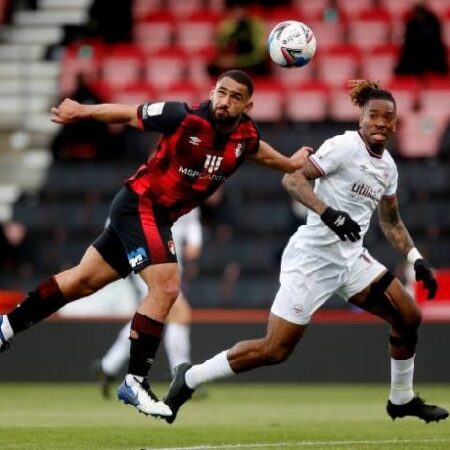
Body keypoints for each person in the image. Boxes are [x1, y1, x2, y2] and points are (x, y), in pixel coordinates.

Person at [0, 69, 311, 419]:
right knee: (166, 287)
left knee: (80, 281)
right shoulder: (183, 117)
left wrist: (290, 163)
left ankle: (5, 327)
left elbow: (259, 152)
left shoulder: (245, 136)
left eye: (235, 97)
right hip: (139, 205)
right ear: (212, 91)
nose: (225, 101)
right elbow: (127, 113)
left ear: (248, 104)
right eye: (221, 92)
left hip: (158, 218)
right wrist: (81, 112)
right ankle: (135, 380)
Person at [163, 80, 449, 425]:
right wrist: (327, 212)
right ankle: (189, 377)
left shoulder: (388, 167)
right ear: (361, 119)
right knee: (275, 349)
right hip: (312, 258)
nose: (380, 123)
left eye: (387, 118)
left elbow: (391, 222)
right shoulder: (344, 147)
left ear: (394, 124)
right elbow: (292, 179)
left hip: (351, 258)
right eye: (373, 116)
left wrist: (416, 259)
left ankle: (401, 399)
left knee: (408, 315)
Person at [95, 207, 203, 398]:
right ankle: (183, 378)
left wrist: (195, 242)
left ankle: (107, 366)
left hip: (171, 266)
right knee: (178, 311)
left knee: (151, 315)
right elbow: (115, 225)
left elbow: (192, 219)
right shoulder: (141, 189)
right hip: (145, 260)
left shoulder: (185, 186)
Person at [207, 1, 270, 77]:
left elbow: (259, 55)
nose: (239, 12)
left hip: (251, 63)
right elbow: (220, 48)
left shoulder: (256, 24)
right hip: (229, 63)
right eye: (235, 9)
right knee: (211, 68)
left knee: (262, 67)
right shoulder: (226, 25)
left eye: (241, 9)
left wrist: (236, 61)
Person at [395, 1, 448, 76]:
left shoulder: (433, 20)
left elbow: (437, 38)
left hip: (432, 52)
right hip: (414, 54)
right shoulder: (411, 21)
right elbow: (409, 41)